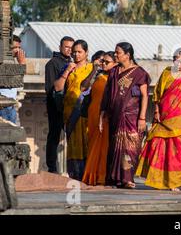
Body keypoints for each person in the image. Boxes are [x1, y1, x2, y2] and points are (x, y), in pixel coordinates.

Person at [136, 48, 181, 191]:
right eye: (175, 58)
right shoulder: (167, 72)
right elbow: (157, 93)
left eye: (180, 59)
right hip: (164, 118)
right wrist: (156, 111)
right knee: (158, 146)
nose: (177, 62)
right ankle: (158, 180)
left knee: (179, 152)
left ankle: (174, 182)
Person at [100, 42, 150, 189]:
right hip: (115, 116)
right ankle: (116, 178)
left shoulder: (139, 73)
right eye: (115, 53)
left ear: (128, 55)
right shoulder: (114, 72)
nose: (115, 55)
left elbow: (145, 96)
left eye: (118, 53)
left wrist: (142, 118)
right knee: (116, 147)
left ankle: (128, 178)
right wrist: (102, 114)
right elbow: (107, 95)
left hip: (132, 117)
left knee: (130, 147)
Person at [54, 39, 93, 181]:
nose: (76, 55)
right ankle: (75, 175)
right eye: (74, 52)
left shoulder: (92, 68)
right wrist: (67, 71)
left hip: (85, 112)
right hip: (70, 113)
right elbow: (58, 87)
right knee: (74, 145)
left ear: (86, 53)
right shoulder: (67, 67)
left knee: (86, 142)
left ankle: (87, 175)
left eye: (79, 52)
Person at [82, 52, 117, 186]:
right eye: (102, 61)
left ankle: (102, 176)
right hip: (93, 113)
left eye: (107, 62)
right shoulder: (97, 75)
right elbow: (83, 87)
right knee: (93, 145)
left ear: (115, 63)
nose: (103, 64)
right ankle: (92, 176)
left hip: (106, 115)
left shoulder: (116, 77)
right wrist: (93, 71)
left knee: (105, 146)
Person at [45, 36, 74, 173]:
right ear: (60, 47)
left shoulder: (73, 62)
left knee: (73, 136)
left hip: (70, 105)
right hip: (55, 106)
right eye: (66, 47)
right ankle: (52, 167)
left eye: (71, 47)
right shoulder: (53, 63)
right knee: (54, 136)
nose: (69, 50)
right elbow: (51, 88)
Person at [0, 35, 27, 124]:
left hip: (11, 105)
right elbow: (13, 81)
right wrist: (22, 64)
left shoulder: (13, 61)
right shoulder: (3, 61)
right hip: (3, 106)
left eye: (19, 47)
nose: (17, 50)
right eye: (14, 47)